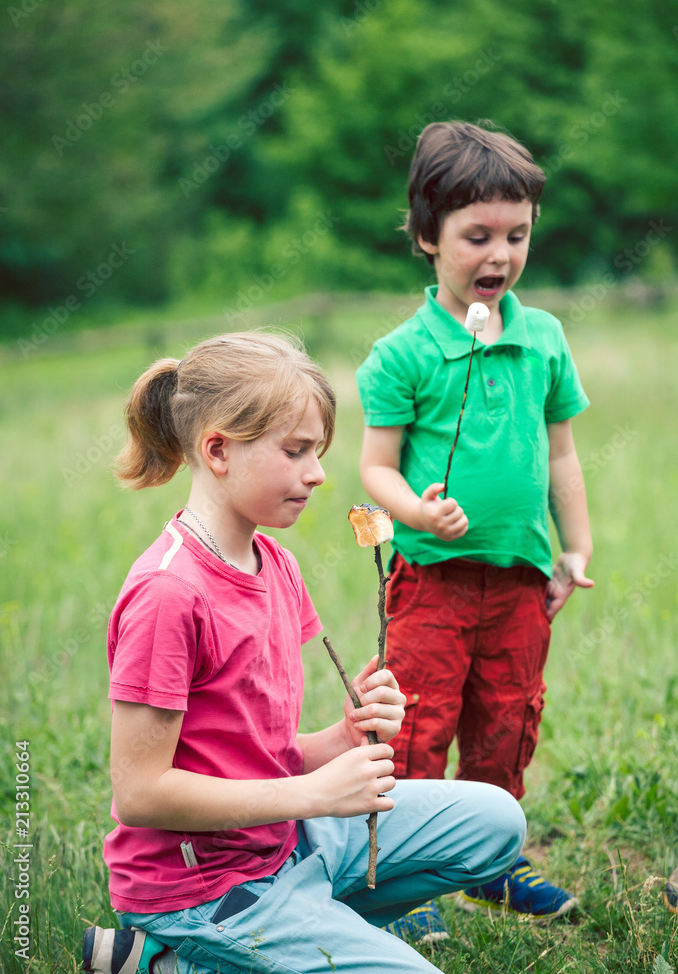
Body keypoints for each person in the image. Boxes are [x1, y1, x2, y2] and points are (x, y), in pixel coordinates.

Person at [82, 331, 526, 974]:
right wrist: (314, 795)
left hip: (289, 841)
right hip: (204, 889)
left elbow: (260, 754)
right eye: (295, 452)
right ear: (218, 450)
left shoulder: (277, 565)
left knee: (496, 822)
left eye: (316, 452)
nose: (317, 473)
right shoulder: (169, 595)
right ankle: (173, 957)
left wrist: (344, 738)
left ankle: (309, 926)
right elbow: (143, 792)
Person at [356, 121, 593, 931]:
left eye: (517, 235)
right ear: (428, 236)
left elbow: (561, 455)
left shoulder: (544, 338)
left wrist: (576, 546)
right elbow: (374, 468)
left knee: (507, 716)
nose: (499, 255)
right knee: (419, 724)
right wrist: (416, 510)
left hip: (521, 577)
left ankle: (490, 860)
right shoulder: (401, 354)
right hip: (430, 581)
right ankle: (406, 876)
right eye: (477, 236)